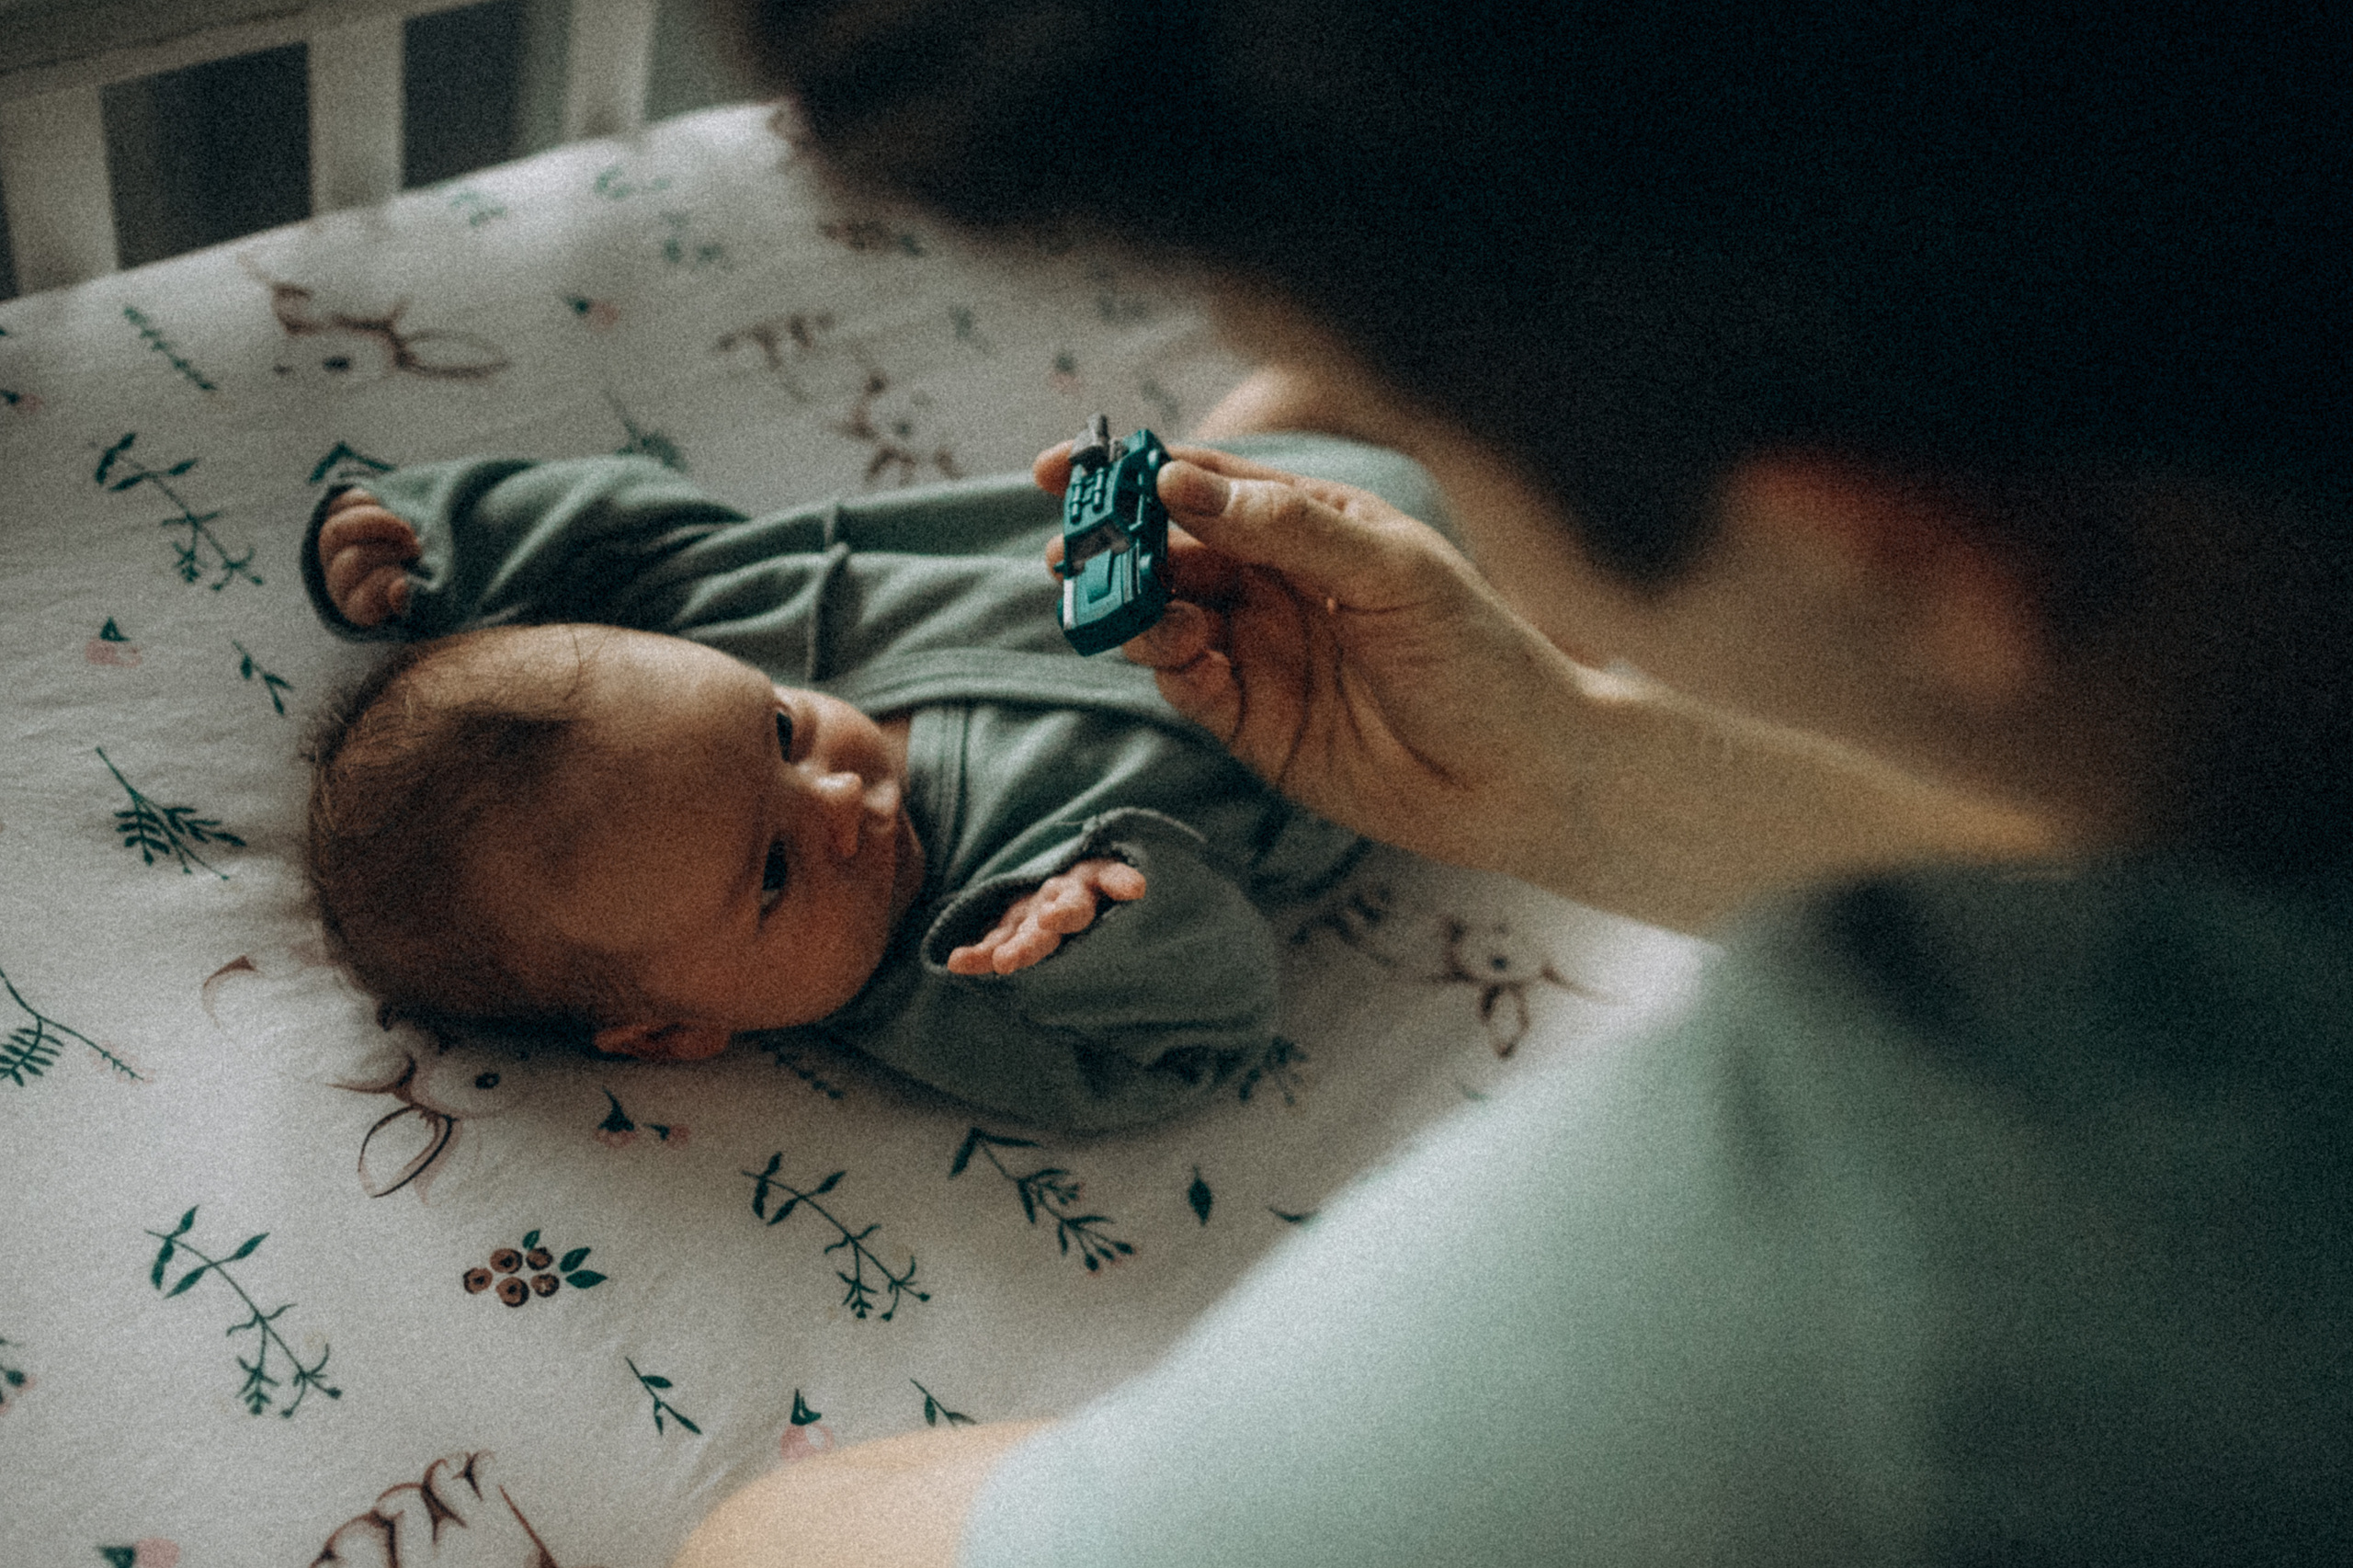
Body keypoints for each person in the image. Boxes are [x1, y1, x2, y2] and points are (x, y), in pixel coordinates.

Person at [656, 3, 2353, 1565]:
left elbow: (779, 1548)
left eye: (1380, 410)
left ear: (1897, 553)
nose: (1278, 424)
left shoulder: (1904, 1286)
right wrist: (1569, 778)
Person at [300, 432, 1431, 1132]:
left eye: (782, 730)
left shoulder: (717, 616)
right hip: (1405, 708)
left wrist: (429, 540)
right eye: (772, 876)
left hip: (1258, 490)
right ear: (669, 1031)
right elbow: (1197, 1042)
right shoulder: (957, 985)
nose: (838, 800)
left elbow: (610, 528)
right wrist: (1114, 924)